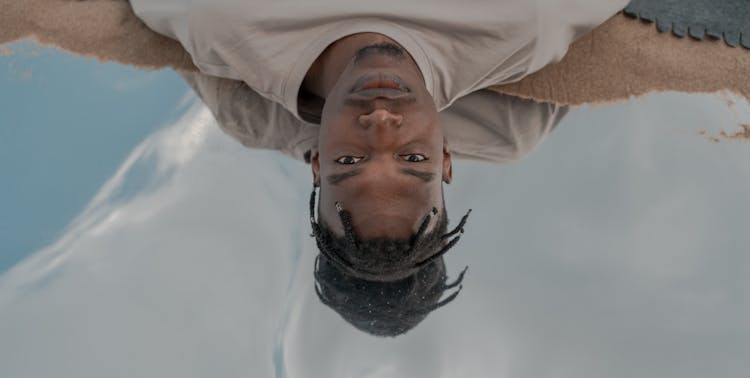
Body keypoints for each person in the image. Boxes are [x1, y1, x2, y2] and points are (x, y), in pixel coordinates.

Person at [129, 0, 630, 282]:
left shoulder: (221, 22)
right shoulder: (531, 24)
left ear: (316, 160)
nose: (381, 118)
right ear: (447, 156)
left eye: (351, 159)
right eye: (412, 158)